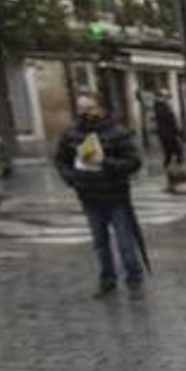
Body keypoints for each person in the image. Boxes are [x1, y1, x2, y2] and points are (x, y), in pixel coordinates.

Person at [55, 94, 145, 297]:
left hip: (115, 195)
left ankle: (134, 280)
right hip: (89, 195)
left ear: (100, 108)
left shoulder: (118, 132)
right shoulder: (71, 134)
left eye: (89, 108)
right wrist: (73, 179)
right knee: (100, 242)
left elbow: (133, 162)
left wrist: (105, 162)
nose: (85, 113)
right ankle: (107, 279)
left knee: (125, 242)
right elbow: (61, 160)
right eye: (80, 108)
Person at [154, 89, 184, 191]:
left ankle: (173, 180)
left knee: (174, 156)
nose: (167, 98)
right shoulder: (160, 107)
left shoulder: (164, 107)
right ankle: (171, 180)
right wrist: (176, 134)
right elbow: (168, 123)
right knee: (171, 157)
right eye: (166, 96)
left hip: (169, 136)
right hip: (168, 137)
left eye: (168, 96)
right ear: (160, 97)